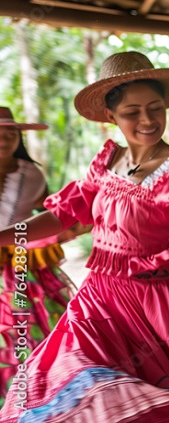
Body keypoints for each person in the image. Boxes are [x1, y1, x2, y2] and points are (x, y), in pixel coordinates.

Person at [0, 51, 169, 422]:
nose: (147, 120)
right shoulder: (106, 163)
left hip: (167, 301)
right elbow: (63, 216)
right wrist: (5, 234)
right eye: (132, 112)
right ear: (111, 116)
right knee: (88, 383)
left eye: (155, 108)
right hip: (100, 300)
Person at [0, 108, 75, 406]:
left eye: (11, 133)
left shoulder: (31, 173)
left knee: (29, 326)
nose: (5, 138)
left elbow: (48, 211)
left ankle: (37, 395)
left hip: (22, 262)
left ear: (19, 138)